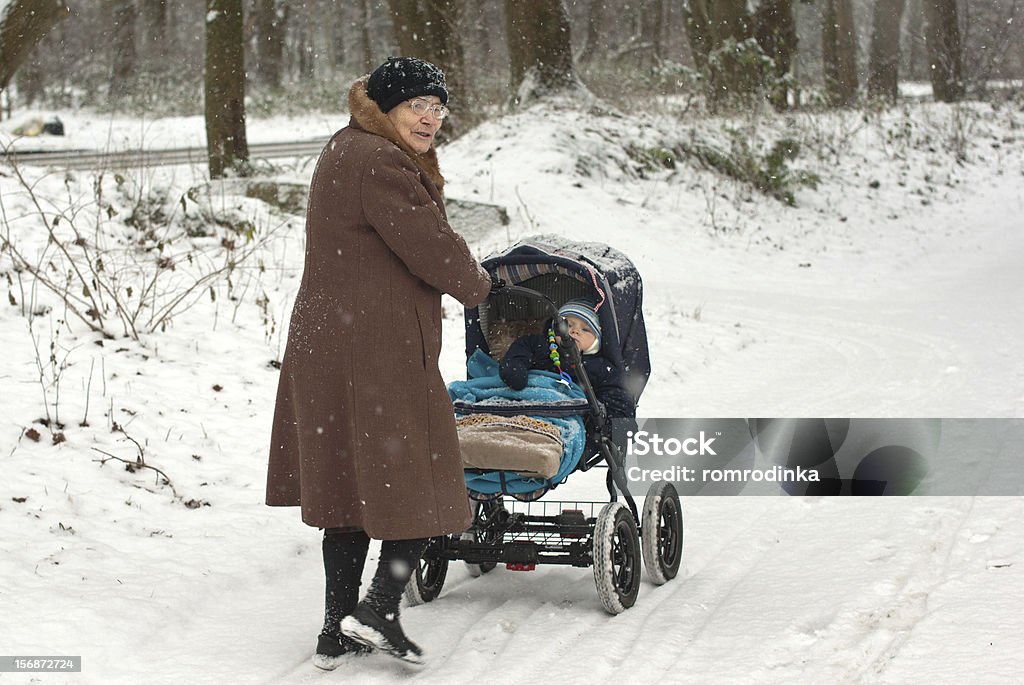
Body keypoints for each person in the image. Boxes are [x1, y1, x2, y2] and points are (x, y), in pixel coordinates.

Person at [265, 56, 492, 669]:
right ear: (388, 106)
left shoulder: (347, 147)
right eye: (419, 105)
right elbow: (430, 246)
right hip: (376, 348)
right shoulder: (380, 160)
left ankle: (336, 628)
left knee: (349, 485)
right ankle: (379, 608)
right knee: (422, 475)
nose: (431, 119)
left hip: (332, 342)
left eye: (439, 108)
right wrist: (480, 285)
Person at [499, 298, 636, 432]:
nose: (575, 331)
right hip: (527, 401)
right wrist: (515, 373)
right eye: (568, 325)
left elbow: (618, 399)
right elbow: (516, 356)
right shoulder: (537, 343)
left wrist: (604, 421)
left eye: (586, 329)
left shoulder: (601, 367)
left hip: (568, 416)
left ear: (597, 341)